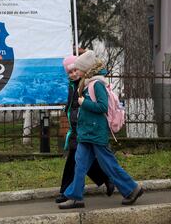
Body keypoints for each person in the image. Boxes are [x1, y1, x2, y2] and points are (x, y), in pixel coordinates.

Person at [58, 50, 144, 209]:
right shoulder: (87, 83)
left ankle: (132, 188)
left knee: (108, 164)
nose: (77, 72)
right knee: (80, 164)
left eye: (79, 68)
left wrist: (84, 103)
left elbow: (102, 107)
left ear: (86, 68)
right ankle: (75, 196)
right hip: (86, 133)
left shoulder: (97, 84)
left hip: (96, 133)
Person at [56, 55, 114, 203]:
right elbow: (72, 106)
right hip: (78, 128)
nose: (73, 74)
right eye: (70, 72)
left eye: (75, 70)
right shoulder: (72, 85)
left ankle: (66, 192)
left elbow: (95, 105)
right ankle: (106, 178)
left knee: (75, 160)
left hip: (85, 128)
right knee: (83, 160)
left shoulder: (86, 83)